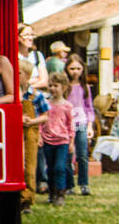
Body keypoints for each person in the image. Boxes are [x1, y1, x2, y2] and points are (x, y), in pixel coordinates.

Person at [40, 71, 75, 206]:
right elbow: (42, 121)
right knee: (50, 168)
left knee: (60, 167)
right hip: (48, 139)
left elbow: (71, 124)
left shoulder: (67, 106)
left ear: (64, 87)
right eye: (50, 85)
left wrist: (71, 141)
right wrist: (40, 135)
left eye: (56, 85)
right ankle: (52, 192)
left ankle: (61, 193)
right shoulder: (46, 104)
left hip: (62, 141)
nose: (52, 88)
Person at [65, 53, 96, 196]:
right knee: (67, 155)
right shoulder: (64, 86)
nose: (75, 72)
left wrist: (90, 126)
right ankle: (69, 184)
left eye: (78, 68)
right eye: (72, 68)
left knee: (82, 154)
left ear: (82, 69)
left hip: (81, 123)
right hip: (66, 125)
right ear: (67, 69)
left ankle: (84, 184)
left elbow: (89, 107)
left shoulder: (85, 87)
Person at [18, 59, 46, 213]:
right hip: (16, 130)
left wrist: (33, 121)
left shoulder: (36, 95)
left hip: (30, 131)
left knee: (29, 164)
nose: (16, 75)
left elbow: (46, 115)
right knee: (17, 163)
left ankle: (27, 199)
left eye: (19, 73)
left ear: (27, 75)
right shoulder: (12, 93)